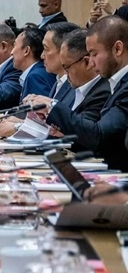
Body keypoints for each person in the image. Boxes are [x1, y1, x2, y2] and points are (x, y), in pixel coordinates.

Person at [35, 15, 128, 169]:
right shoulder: (118, 84)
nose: (90, 62)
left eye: (94, 54)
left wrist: (52, 106)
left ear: (117, 49)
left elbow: (99, 135)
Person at [5, 29, 108, 144]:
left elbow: (82, 133)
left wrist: (50, 106)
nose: (42, 56)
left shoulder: (103, 91)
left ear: (87, 62)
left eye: (67, 67)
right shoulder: (71, 84)